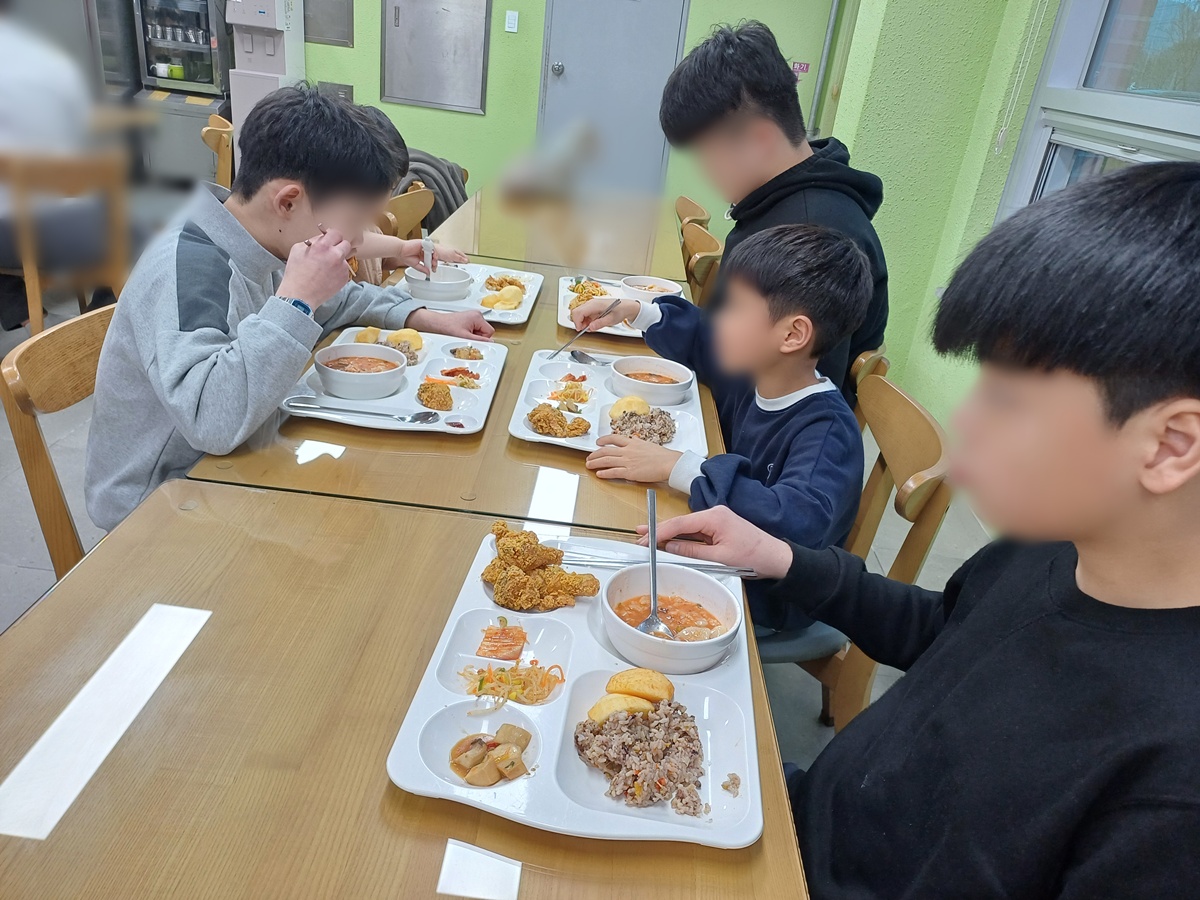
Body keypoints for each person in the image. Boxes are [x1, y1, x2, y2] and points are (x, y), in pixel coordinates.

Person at [640, 163, 1200, 897]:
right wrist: (782, 558)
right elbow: (941, 629)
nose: (969, 422)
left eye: (1009, 399)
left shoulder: (1171, 791)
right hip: (804, 816)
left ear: (1169, 446)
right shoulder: (1053, 547)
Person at [84, 85, 493, 531]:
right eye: (354, 222)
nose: (357, 241)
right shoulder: (187, 269)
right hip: (159, 506)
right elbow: (209, 420)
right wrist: (296, 300)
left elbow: (337, 300)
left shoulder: (268, 239)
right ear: (288, 201)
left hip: (244, 456)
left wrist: (421, 316)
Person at [572, 224, 870, 631]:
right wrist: (637, 311)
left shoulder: (828, 433)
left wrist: (678, 467)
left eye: (734, 308)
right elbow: (701, 338)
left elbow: (796, 523)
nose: (718, 320)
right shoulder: (757, 367)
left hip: (763, 598)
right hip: (715, 552)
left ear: (792, 334)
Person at [658, 21, 887, 403]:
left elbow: (783, 404)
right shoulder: (775, 203)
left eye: (705, 153)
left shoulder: (813, 236)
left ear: (758, 139)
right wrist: (652, 317)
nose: (705, 171)